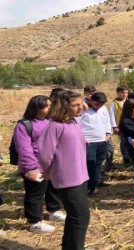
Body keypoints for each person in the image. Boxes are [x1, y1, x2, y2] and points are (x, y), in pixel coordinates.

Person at [37, 90, 90, 250]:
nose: (81, 108)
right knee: (80, 216)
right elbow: (44, 153)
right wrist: (47, 170)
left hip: (81, 175)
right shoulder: (54, 126)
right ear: (64, 106)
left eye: (81, 104)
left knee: (75, 216)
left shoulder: (75, 123)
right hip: (67, 177)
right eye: (76, 105)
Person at [14, 95, 66, 233]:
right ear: (36, 107)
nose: (50, 108)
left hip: (51, 164)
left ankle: (53, 211)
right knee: (35, 193)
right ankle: (34, 221)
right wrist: (32, 168)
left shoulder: (50, 122)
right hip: (35, 166)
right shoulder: (24, 125)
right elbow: (24, 149)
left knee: (53, 189)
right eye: (46, 106)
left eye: (50, 105)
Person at [81, 92, 111, 196]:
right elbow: (76, 124)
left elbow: (107, 121)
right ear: (91, 100)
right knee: (90, 163)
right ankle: (89, 186)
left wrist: (108, 134)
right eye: (97, 104)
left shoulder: (103, 109)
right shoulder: (83, 109)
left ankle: (97, 182)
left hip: (102, 140)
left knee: (99, 162)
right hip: (89, 141)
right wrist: (82, 138)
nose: (99, 106)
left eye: (101, 104)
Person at [109, 86, 130, 166]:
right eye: (122, 93)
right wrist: (115, 127)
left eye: (126, 92)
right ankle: (126, 158)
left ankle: (131, 157)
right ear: (117, 93)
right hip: (120, 126)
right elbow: (111, 115)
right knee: (123, 142)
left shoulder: (129, 101)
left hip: (130, 125)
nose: (124, 94)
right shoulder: (114, 103)